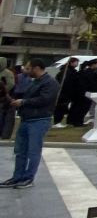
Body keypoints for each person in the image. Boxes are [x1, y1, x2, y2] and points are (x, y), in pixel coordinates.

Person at [1, 60, 57, 189]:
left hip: (39, 120)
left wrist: (24, 102)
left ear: (36, 68)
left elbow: (44, 99)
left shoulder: (50, 83)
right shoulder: (35, 81)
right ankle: (17, 177)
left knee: (33, 151)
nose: (25, 71)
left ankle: (28, 178)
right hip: (27, 119)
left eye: (28, 68)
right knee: (20, 151)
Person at [67, 59, 97, 127]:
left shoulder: (87, 72)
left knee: (77, 107)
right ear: (93, 64)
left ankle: (72, 121)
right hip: (84, 93)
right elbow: (91, 84)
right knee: (82, 108)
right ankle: (78, 122)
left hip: (82, 93)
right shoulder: (89, 73)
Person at [52, 57, 80, 128]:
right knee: (60, 107)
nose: (77, 64)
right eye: (76, 62)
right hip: (63, 92)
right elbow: (65, 82)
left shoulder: (72, 71)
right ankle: (57, 122)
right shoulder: (66, 71)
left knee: (63, 107)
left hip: (68, 92)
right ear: (71, 62)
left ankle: (58, 121)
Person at [0, 58, 14, 140]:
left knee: (4, 117)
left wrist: (3, 90)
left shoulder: (8, 73)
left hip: (4, 98)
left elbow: (11, 84)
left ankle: (4, 135)